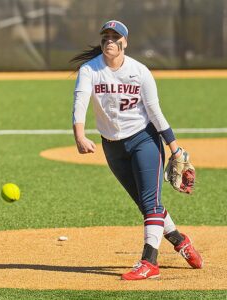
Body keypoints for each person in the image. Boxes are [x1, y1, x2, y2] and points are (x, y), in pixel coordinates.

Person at [71, 20, 203, 280]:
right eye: (106, 36)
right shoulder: (90, 70)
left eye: (115, 36)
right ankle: (180, 241)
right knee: (147, 205)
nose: (110, 39)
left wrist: (175, 149)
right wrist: (79, 135)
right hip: (112, 146)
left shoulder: (139, 71)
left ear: (125, 42)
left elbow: (155, 112)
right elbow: (80, 100)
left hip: (144, 140)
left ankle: (149, 262)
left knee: (151, 203)